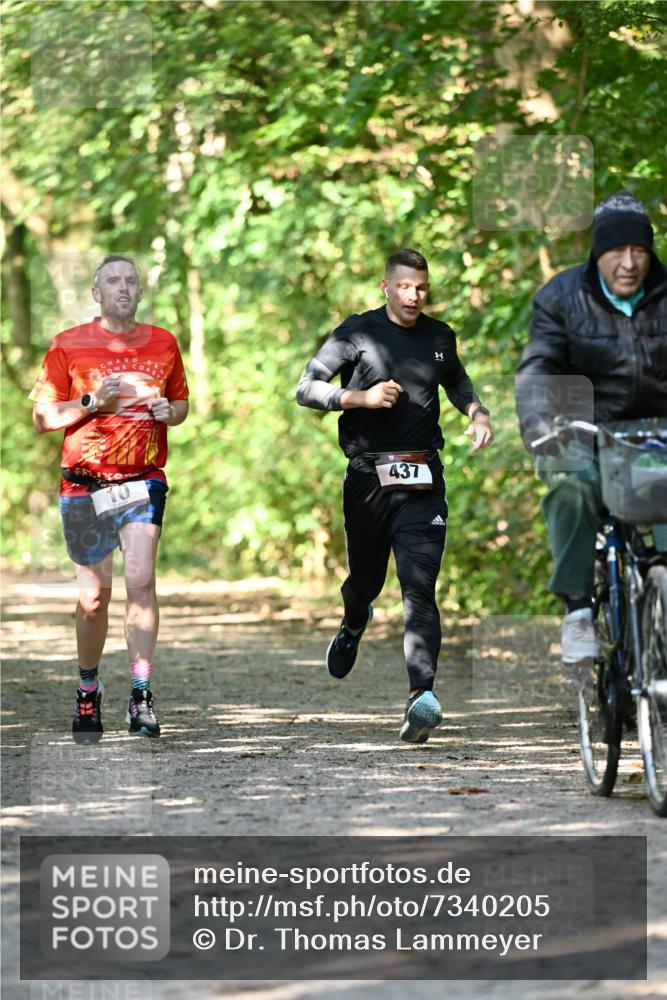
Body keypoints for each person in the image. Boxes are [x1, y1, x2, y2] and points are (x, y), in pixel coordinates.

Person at [296, 248, 493, 743]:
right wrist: (356, 397)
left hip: (423, 478)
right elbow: (306, 387)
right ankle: (353, 620)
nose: (413, 295)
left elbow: (457, 380)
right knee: (366, 580)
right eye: (404, 286)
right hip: (367, 478)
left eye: (421, 288)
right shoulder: (356, 333)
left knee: (418, 586)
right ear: (386, 286)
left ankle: (420, 696)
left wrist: (476, 411)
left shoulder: (439, 336)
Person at [30, 254, 189, 742]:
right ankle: (88, 688)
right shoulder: (69, 345)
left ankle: (141, 696)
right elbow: (42, 418)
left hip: (142, 480)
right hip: (83, 483)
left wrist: (169, 410)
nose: (124, 287)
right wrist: (90, 402)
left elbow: (182, 404)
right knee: (93, 597)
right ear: (96, 293)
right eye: (113, 281)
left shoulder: (163, 343)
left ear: (139, 292)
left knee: (141, 581)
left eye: (131, 281)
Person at [516, 191, 667, 663]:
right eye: (616, 252)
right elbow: (540, 365)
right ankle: (579, 608)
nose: (628, 263)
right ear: (597, 254)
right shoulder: (560, 298)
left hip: (658, 435)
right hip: (588, 432)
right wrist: (542, 422)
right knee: (569, 481)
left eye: (638, 251)